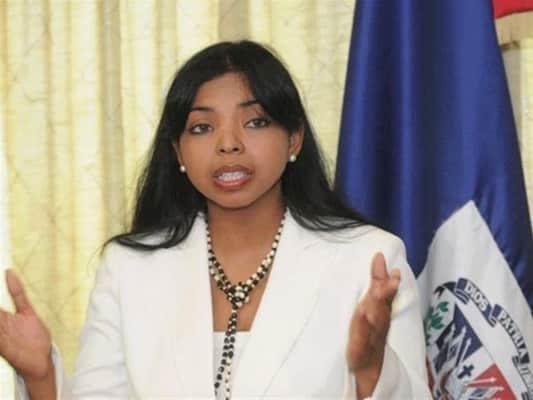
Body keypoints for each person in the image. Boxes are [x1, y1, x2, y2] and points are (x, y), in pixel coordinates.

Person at [0, 40, 431, 399]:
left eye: (255, 121)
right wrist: (41, 378)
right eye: (202, 128)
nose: (228, 144)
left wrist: (372, 370)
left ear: (294, 138)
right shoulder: (129, 267)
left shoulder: (368, 261)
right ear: (178, 150)